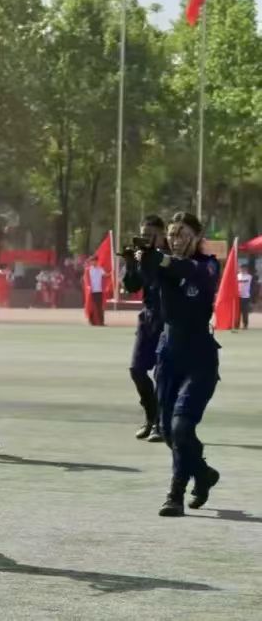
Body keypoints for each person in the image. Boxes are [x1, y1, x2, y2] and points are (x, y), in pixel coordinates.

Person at [136, 212, 221, 517]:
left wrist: (159, 260)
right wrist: (138, 260)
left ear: (197, 237)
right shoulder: (163, 265)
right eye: (172, 234)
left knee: (182, 428)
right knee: (169, 433)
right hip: (169, 358)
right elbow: (137, 282)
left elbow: (188, 269)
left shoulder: (208, 265)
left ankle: (175, 494)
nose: (176, 239)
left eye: (183, 234)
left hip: (200, 360)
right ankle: (203, 473)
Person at [121, 215, 167, 443]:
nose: (146, 239)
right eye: (143, 235)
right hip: (148, 319)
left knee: (163, 374)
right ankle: (150, 417)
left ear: (162, 234)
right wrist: (131, 263)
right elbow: (132, 286)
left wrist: (150, 259)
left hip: (168, 320)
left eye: (151, 235)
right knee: (136, 369)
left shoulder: (170, 257)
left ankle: (161, 423)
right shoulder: (142, 256)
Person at [86, 257, 107, 326]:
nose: (93, 262)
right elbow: (86, 280)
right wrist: (89, 288)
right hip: (91, 292)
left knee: (99, 307)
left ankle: (101, 322)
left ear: (97, 261)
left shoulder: (100, 269)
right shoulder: (88, 270)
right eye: (92, 261)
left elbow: (105, 275)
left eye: (95, 261)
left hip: (99, 291)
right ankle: (91, 321)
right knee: (91, 307)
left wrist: (112, 272)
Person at [237, 261, 253, 329]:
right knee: (237, 312)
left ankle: (245, 324)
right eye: (241, 268)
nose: (243, 269)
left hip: (246, 296)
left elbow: (253, 286)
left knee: (245, 311)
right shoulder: (237, 276)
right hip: (237, 296)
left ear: (246, 269)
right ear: (239, 268)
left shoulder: (249, 277)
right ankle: (236, 324)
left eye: (244, 268)